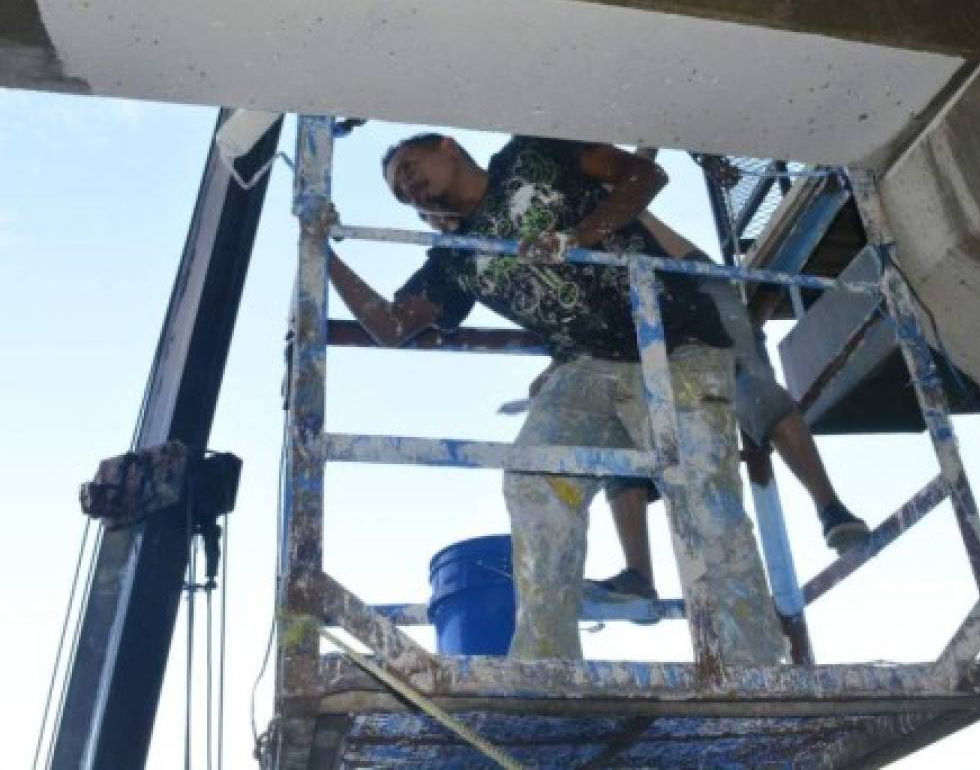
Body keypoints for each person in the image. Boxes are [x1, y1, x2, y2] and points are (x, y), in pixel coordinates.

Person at [322, 132, 784, 665]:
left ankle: (753, 665)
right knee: (533, 480)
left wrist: (578, 237)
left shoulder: (530, 156)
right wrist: (323, 249)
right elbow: (391, 325)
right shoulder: (457, 257)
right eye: (399, 192)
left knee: (705, 499)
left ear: (448, 147)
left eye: (408, 166)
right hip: (586, 366)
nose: (408, 187)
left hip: (676, 342)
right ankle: (547, 663)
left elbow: (644, 175)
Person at [582, 163, 869, 606]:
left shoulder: (578, 188)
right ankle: (638, 574)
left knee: (752, 389)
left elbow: (641, 167)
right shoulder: (528, 237)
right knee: (616, 432)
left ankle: (831, 508)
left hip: (692, 283)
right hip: (638, 319)